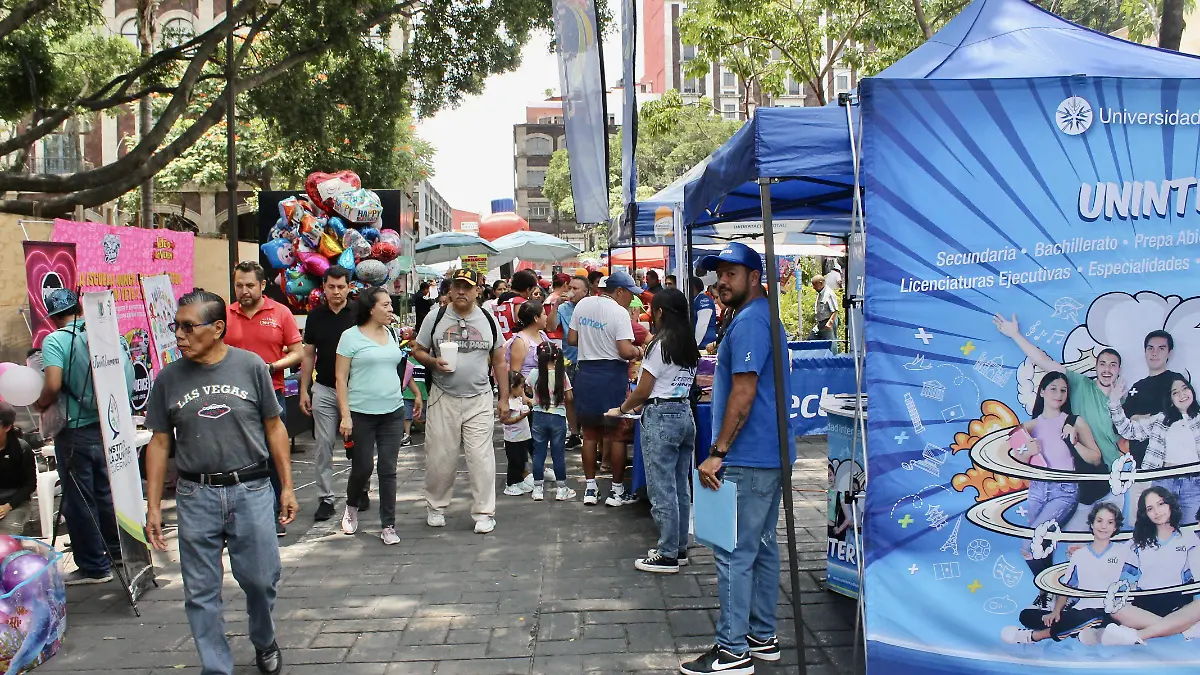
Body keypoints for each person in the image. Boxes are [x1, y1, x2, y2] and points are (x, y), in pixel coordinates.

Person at [143, 289, 298, 675]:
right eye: (175, 326)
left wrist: (288, 486)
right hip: (196, 494)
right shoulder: (168, 378)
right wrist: (151, 507)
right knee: (200, 592)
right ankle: (216, 667)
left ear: (216, 328)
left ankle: (264, 639)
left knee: (262, 580)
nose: (178, 334)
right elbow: (160, 443)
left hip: (251, 489)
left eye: (187, 327)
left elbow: (275, 427)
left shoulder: (251, 367)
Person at [684, 242, 791, 675]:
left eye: (731, 273)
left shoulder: (749, 322)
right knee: (761, 548)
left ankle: (732, 650)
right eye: (718, 274)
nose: (722, 282)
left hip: (747, 455)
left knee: (733, 552)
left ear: (754, 276)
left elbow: (743, 395)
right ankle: (761, 636)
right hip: (769, 452)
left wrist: (717, 451)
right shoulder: (762, 317)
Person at [34, 288, 134, 585]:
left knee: (80, 500)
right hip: (109, 426)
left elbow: (52, 383)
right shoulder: (109, 335)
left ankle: (94, 566)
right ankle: (115, 551)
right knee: (106, 494)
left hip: (75, 431)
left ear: (53, 317)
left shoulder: (56, 340)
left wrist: (41, 402)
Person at [608, 289, 699, 574]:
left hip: (661, 415)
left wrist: (621, 409)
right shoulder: (688, 343)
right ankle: (678, 546)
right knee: (680, 486)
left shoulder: (660, 345)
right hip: (685, 413)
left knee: (662, 488)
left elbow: (643, 390)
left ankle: (667, 552)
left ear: (660, 313)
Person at [413, 269, 510, 534]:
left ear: (477, 290)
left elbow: (500, 361)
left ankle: (484, 513)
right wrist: (433, 362)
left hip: (479, 397)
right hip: (443, 397)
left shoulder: (489, 319)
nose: (461, 292)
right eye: (456, 287)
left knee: (481, 458)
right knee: (440, 457)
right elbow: (418, 349)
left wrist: (503, 399)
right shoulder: (437, 316)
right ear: (450, 289)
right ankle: (435, 506)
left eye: (466, 288)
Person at [224, 261, 303, 537]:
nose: (243, 291)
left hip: (272, 395)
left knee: (275, 456)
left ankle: (277, 513)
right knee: (240, 458)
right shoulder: (225, 315)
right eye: (238, 285)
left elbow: (298, 352)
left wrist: (273, 367)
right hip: (234, 400)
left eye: (249, 285)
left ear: (262, 286)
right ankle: (242, 517)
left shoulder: (280, 312)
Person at [1013, 372, 1103, 589]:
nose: (1059, 393)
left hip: (1064, 490)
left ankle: (1051, 589)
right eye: (1053, 388)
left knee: (1029, 543)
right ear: (1042, 391)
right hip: (1037, 490)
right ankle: (1049, 593)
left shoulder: (1074, 422)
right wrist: (1027, 450)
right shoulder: (1028, 426)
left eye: (1063, 389)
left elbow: (1096, 458)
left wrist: (1074, 442)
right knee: (1039, 547)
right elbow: (1018, 459)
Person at [334, 288, 408, 546]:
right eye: (386, 305)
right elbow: (341, 379)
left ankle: (388, 525)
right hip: (361, 413)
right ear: (370, 308)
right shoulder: (350, 337)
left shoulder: (391, 333)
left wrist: (412, 394)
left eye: (391, 305)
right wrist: (345, 416)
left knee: (388, 469)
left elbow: (396, 367)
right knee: (363, 467)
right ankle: (351, 506)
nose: (391, 310)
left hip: (393, 412)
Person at [568, 271, 645, 507]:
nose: (631, 299)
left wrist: (593, 341)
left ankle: (590, 488)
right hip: (612, 375)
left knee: (590, 435)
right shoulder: (619, 312)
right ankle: (616, 491)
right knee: (617, 435)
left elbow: (572, 339)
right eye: (630, 294)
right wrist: (638, 352)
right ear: (619, 291)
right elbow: (624, 350)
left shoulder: (583, 305)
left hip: (587, 374)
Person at [1002, 502, 1127, 644]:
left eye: (1110, 522)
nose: (1104, 526)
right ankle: (1079, 631)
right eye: (1099, 521)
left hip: (1107, 611)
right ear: (1092, 524)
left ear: (1115, 527)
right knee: (1027, 616)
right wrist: (1056, 611)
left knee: (1090, 616)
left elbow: (1134, 578)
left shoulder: (1123, 552)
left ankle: (1032, 636)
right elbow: (1067, 587)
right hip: (1078, 609)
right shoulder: (1080, 555)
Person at [1101, 486, 1200, 645]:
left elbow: (1197, 580)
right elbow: (1114, 558)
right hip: (1146, 604)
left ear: (1170, 505)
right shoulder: (1136, 542)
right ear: (1145, 513)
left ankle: (1140, 634)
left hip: (1179, 602)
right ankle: (1182, 629)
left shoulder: (1188, 537)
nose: (1157, 511)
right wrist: (1087, 548)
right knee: (1116, 608)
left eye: (1161, 504)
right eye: (1150, 508)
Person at [298, 266, 355, 522]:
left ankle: (359, 491)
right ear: (324, 287)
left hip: (356, 389)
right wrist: (304, 389)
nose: (336, 292)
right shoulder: (315, 316)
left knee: (360, 445)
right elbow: (308, 355)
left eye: (341, 286)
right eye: (331, 287)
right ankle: (326, 498)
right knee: (323, 445)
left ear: (349, 287)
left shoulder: (358, 313)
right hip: (323, 388)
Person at [1109, 375, 1200, 524]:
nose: (1182, 394)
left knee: (1190, 530)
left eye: (1185, 389)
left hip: (1193, 483)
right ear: (1170, 399)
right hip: (1165, 481)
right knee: (1160, 529)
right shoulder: (1161, 419)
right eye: (1175, 392)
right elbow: (1127, 430)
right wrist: (1114, 403)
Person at [1123, 331, 1184, 466]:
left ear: (1169, 352)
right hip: (1139, 465)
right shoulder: (1137, 386)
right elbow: (1119, 425)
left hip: (1170, 462)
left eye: (1161, 348)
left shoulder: (1176, 381)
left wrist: (1142, 418)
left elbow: (1182, 414)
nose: (1154, 353)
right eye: (1150, 348)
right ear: (1145, 351)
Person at [528, 341, 575, 502]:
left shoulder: (534, 374)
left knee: (538, 453)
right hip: (558, 417)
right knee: (558, 454)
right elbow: (569, 397)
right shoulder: (561, 374)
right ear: (556, 358)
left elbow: (527, 389)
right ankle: (561, 489)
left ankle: (537, 489)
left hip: (539, 416)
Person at [558, 276, 589, 448]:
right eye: (570, 287)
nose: (572, 291)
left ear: (586, 292)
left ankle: (585, 430)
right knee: (569, 398)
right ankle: (574, 432)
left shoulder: (591, 308)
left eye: (576, 288)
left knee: (584, 396)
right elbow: (550, 326)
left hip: (587, 359)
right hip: (568, 358)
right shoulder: (563, 308)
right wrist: (555, 305)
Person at [0, 402, 36, 537]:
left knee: (8, 532)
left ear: (7, 427)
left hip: (15, 503)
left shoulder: (22, 449)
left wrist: (8, 506)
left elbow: (30, 484)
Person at [502, 371, 534, 496]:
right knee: (514, 462)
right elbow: (506, 420)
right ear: (512, 387)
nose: (523, 390)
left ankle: (520, 480)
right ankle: (511, 483)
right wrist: (520, 417)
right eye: (521, 387)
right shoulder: (508, 403)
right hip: (513, 439)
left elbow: (528, 401)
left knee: (522, 460)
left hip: (522, 436)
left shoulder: (519, 398)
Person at [398, 326, 426, 446]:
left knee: (424, 416)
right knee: (407, 416)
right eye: (408, 346)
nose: (411, 349)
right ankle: (407, 434)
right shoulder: (406, 362)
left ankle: (428, 434)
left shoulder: (425, 361)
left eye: (414, 346)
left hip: (423, 393)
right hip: (407, 394)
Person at [494, 269, 539, 340]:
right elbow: (523, 324)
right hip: (514, 340)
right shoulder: (521, 302)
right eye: (532, 290)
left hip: (499, 340)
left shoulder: (497, 300)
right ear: (528, 289)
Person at [691, 276, 718, 350]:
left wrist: (694, 346)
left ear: (693, 287)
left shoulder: (703, 301)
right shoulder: (696, 300)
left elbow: (702, 325)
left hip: (705, 344)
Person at [811, 274, 838, 346]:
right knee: (811, 340)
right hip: (820, 323)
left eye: (814, 285)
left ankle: (833, 357)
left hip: (828, 322)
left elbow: (835, 310)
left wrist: (830, 323)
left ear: (821, 283)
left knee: (830, 344)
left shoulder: (829, 294)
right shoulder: (820, 293)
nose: (813, 287)